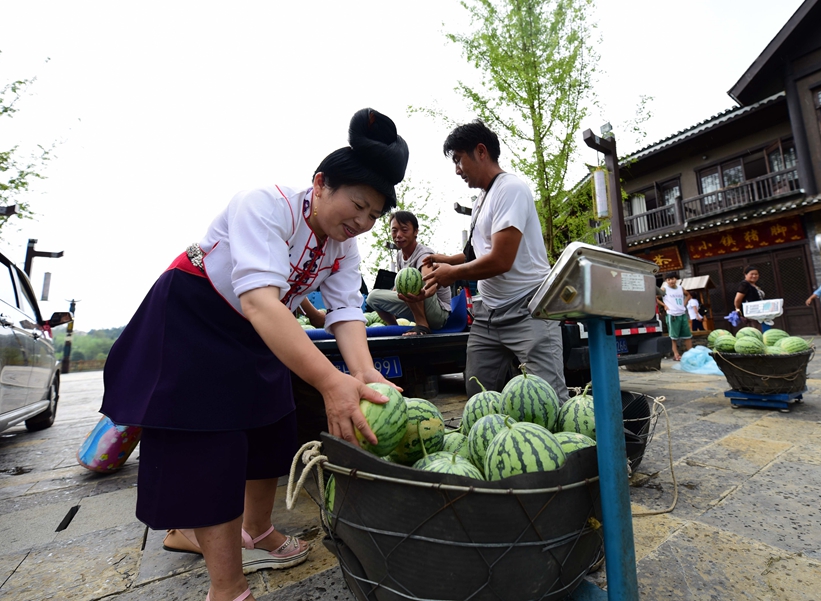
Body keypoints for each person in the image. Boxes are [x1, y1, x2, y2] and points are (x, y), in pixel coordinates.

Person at [100, 108, 409, 601]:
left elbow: (347, 310)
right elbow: (260, 299)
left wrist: (365, 371)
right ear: (321, 184)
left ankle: (257, 531)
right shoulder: (265, 204)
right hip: (194, 313)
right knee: (210, 443)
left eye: (374, 215)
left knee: (272, 424)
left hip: (258, 326)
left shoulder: (343, 245)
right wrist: (330, 382)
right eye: (357, 205)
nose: (363, 222)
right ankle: (228, 588)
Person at [422, 119, 568, 404]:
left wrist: (452, 274)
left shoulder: (510, 189)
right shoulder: (481, 201)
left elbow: (501, 259)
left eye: (458, 160)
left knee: (548, 399)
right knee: (479, 395)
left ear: (480, 151)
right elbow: (475, 254)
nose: (457, 170)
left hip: (529, 310)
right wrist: (444, 260)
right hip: (488, 316)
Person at [365, 211, 452, 335]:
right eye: (394, 230)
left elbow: (429, 284)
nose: (398, 235)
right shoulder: (400, 256)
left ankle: (422, 325)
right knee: (372, 297)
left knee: (413, 281)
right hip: (416, 304)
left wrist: (420, 294)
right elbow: (398, 287)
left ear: (415, 231)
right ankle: (393, 327)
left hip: (438, 314)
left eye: (404, 230)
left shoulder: (424, 254)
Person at [656, 272, 693, 361]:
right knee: (673, 337)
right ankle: (676, 354)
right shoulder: (665, 289)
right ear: (666, 281)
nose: (671, 281)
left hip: (682, 313)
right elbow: (656, 297)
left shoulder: (680, 288)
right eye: (668, 279)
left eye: (672, 279)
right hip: (672, 314)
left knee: (687, 335)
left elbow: (688, 295)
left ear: (676, 279)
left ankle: (691, 353)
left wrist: (684, 304)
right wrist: (664, 305)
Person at [734, 265, 770, 332]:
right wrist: (738, 309)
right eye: (752, 274)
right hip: (752, 313)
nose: (754, 276)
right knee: (756, 331)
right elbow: (738, 299)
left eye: (756, 274)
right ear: (745, 274)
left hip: (760, 313)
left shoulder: (754, 285)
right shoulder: (744, 284)